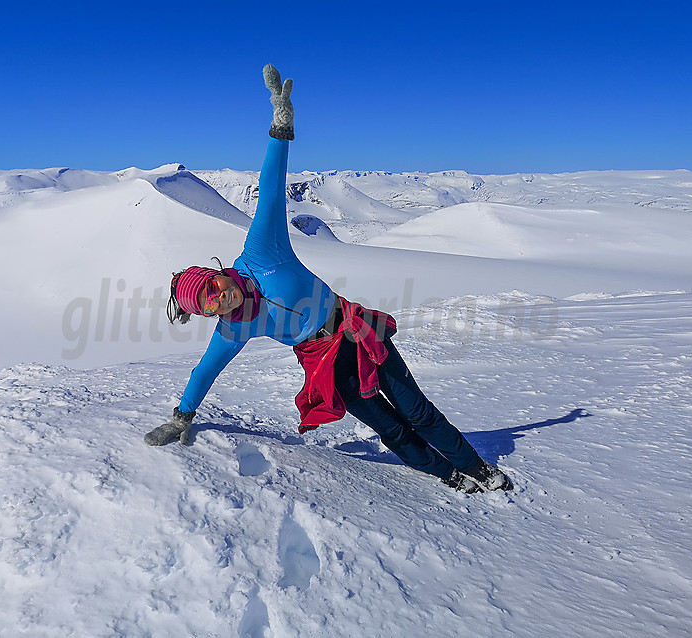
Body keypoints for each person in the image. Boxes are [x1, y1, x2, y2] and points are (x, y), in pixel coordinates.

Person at [145, 65, 513, 494]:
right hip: (322, 360)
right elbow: (205, 370)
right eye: (203, 307)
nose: (214, 303)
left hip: (355, 330)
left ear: (215, 274)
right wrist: (182, 417)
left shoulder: (262, 251)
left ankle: (478, 468)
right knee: (388, 428)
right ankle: (446, 475)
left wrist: (280, 128)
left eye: (210, 289)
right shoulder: (234, 327)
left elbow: (271, 188)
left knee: (416, 410)